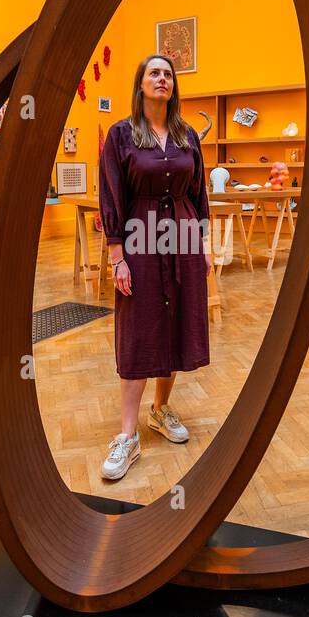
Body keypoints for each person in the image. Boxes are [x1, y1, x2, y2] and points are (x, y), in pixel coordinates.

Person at [97, 54, 212, 481]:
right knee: (139, 329)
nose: (162, 79)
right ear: (141, 84)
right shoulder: (121, 135)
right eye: (154, 73)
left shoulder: (187, 136)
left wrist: (202, 245)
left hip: (182, 238)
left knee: (175, 323)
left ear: (174, 85)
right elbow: (110, 196)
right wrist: (117, 257)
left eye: (168, 74)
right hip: (139, 239)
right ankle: (127, 435)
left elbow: (199, 193)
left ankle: (161, 411)